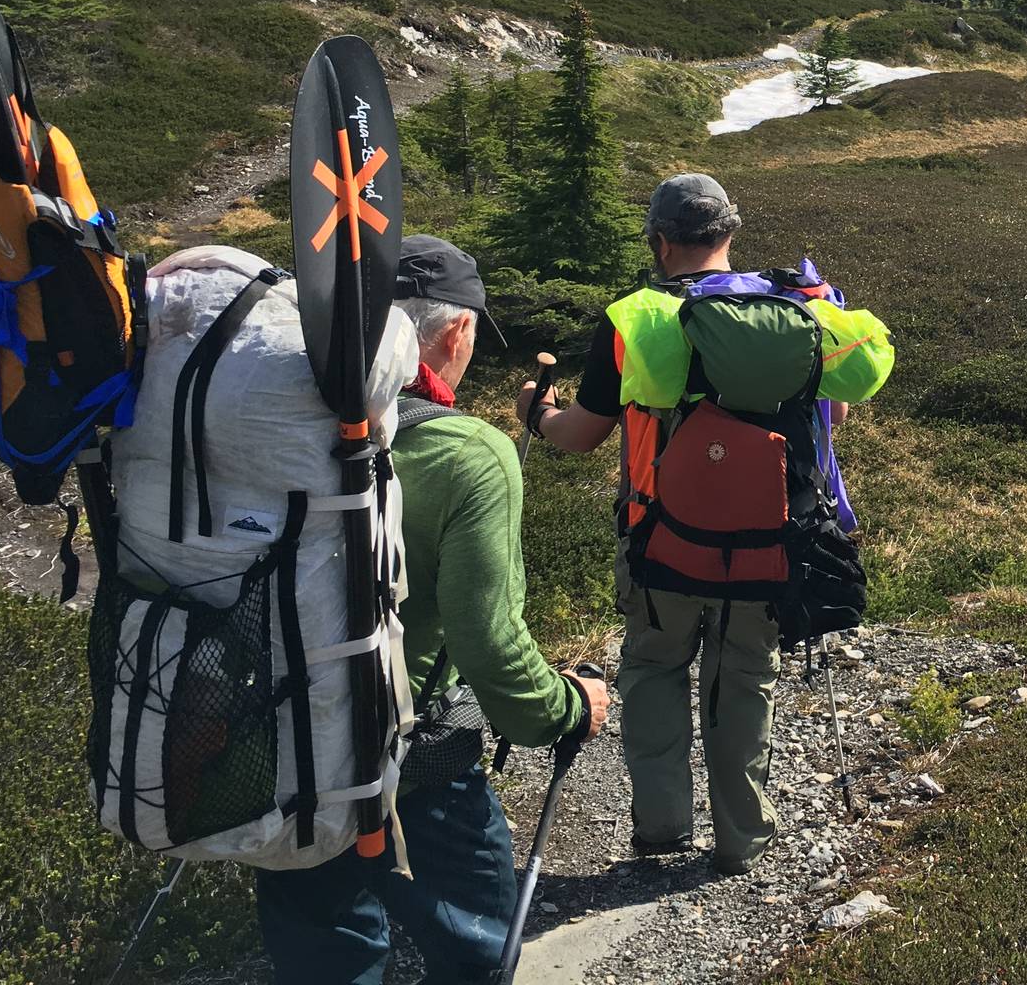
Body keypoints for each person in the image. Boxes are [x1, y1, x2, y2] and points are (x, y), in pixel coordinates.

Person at [255, 235, 609, 984]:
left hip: (279, 752)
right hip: (413, 765)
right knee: (477, 953)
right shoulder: (469, 454)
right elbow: (491, 650)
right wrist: (567, 709)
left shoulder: (278, 429)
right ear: (457, 332)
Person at [518, 174, 892, 877]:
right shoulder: (796, 310)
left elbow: (581, 434)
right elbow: (832, 413)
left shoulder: (636, 318)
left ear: (661, 243)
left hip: (666, 541)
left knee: (656, 671)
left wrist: (535, 414)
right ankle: (740, 840)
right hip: (772, 545)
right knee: (745, 678)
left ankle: (661, 832)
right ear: (730, 235)